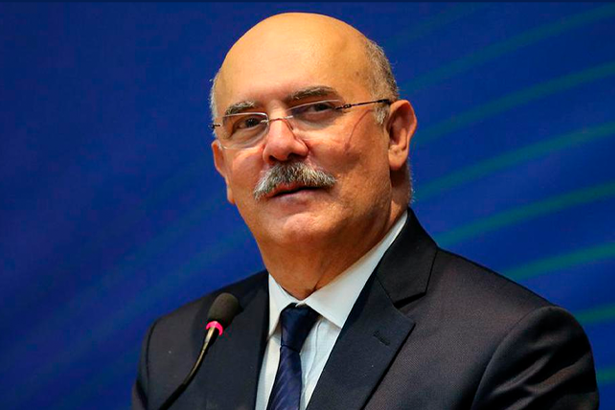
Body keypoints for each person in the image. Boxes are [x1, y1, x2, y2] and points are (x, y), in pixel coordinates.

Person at [133, 12, 598, 410]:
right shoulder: (178, 349)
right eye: (249, 123)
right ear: (223, 167)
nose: (279, 144)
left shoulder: (513, 346)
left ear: (394, 134)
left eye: (315, 108)